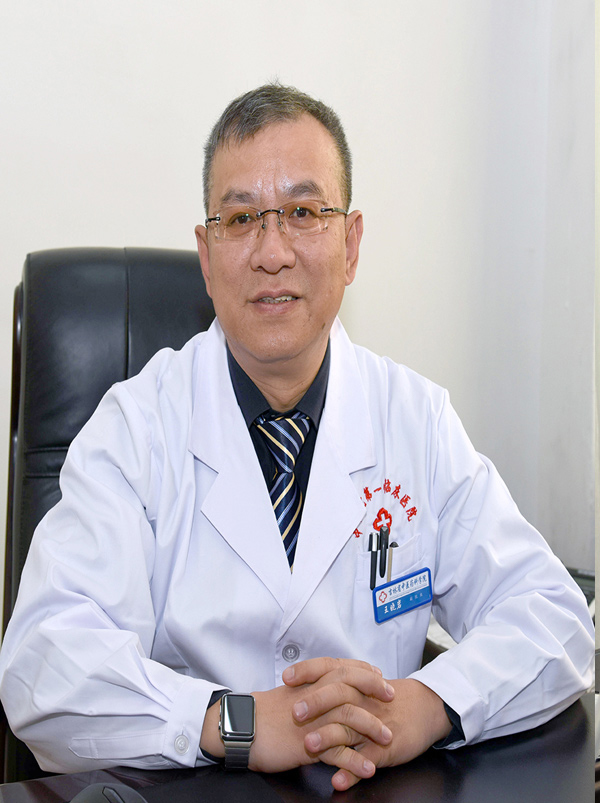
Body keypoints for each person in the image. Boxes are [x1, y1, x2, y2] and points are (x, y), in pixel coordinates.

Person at [0, 83, 593, 792]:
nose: (272, 251)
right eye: (241, 218)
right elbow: (43, 665)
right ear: (207, 255)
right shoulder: (136, 428)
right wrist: (238, 722)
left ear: (351, 244)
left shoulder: (415, 419)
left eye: (305, 213)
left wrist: (429, 704)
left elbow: (553, 615)